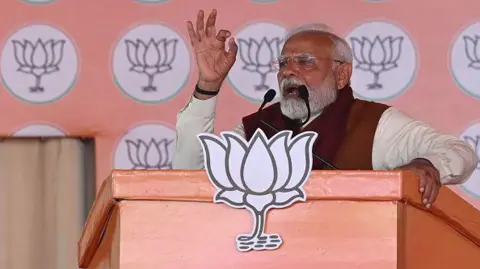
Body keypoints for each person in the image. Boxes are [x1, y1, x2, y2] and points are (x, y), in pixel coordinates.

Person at [172, 9, 477, 208]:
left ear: (342, 74)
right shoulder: (260, 126)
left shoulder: (374, 124)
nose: (288, 71)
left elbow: (459, 151)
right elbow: (189, 175)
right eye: (283, 63)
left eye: (304, 62)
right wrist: (208, 85)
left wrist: (427, 164)